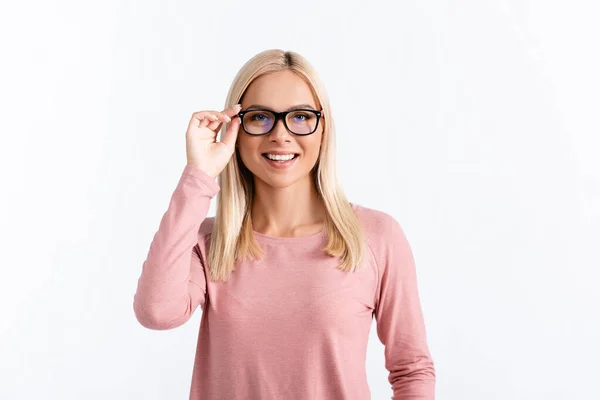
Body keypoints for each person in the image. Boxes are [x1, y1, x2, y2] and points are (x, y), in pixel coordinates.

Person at [133, 48, 436, 400]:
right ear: (235, 129)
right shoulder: (210, 243)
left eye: (301, 117)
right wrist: (198, 176)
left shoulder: (375, 237)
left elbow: (411, 370)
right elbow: (156, 312)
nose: (280, 134)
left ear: (323, 129)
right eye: (260, 117)